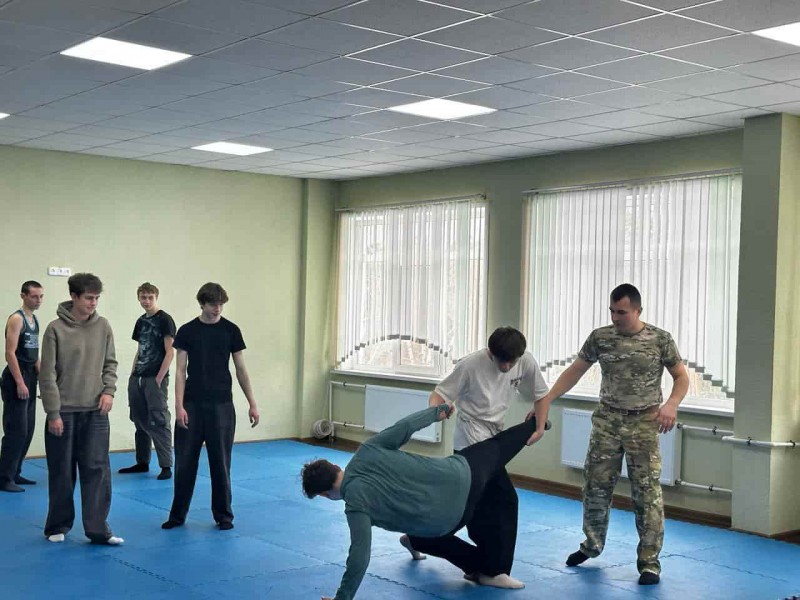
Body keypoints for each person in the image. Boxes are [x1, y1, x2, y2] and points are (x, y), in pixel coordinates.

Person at [528, 283, 688, 586]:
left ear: (638, 310)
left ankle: (649, 563)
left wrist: (672, 404)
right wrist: (546, 400)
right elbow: (575, 371)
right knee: (595, 486)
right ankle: (591, 545)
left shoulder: (660, 339)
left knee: (647, 494)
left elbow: (680, 376)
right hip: (607, 421)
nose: (615, 317)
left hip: (643, 423)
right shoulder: (600, 337)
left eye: (622, 312)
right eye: (612, 311)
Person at [302, 404, 545, 600]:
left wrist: (342, 598)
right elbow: (406, 426)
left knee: (429, 534)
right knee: (496, 447)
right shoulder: (367, 450)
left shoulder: (355, 507)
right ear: (336, 466)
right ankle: (537, 424)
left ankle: (474, 566)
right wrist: (437, 412)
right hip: (462, 474)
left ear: (324, 495)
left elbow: (359, 557)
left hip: (447, 521)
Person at [404, 327, 548, 588]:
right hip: (469, 442)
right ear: (490, 352)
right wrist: (440, 408)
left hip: (493, 437)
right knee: (501, 500)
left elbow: (541, 394)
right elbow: (439, 394)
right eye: (501, 361)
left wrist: (539, 424)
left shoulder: (524, 360)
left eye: (511, 362)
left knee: (471, 508)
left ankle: (421, 538)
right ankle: (489, 571)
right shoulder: (470, 364)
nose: (506, 367)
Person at [161, 282, 259, 531]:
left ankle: (224, 516)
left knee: (221, 463)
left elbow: (241, 370)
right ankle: (177, 515)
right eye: (213, 304)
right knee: (185, 462)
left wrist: (252, 403)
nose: (217, 309)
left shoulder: (230, 330)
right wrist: (179, 406)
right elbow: (180, 371)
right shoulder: (187, 331)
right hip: (192, 405)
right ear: (202, 304)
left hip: (222, 405)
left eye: (221, 304)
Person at [40, 273, 122, 545]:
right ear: (74, 296)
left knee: (97, 470)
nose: (93, 303)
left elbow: (110, 363)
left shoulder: (103, 326)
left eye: (96, 298)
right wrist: (53, 412)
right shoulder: (54, 329)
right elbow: (47, 374)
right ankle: (58, 525)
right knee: (62, 472)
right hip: (63, 412)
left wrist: (109, 391)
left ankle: (98, 529)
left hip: (95, 412)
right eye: (88, 298)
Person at [119, 282, 176, 480]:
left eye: (150, 297)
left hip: (155, 378)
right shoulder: (141, 321)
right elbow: (141, 349)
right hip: (139, 376)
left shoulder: (165, 320)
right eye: (143, 297)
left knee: (159, 420)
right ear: (139, 298)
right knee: (139, 418)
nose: (147, 301)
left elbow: (170, 352)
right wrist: (133, 374)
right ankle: (142, 461)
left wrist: (160, 377)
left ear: (156, 297)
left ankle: (166, 465)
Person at [0, 281, 44, 493]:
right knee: (16, 430)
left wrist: (43, 380)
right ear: (23, 296)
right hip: (16, 376)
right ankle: (4, 477)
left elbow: (34, 355)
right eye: (34, 296)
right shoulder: (17, 319)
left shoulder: (34, 320)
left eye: (41, 296)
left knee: (28, 429)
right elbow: (10, 353)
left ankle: (15, 472)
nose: (38, 300)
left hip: (30, 375)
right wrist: (19, 382)